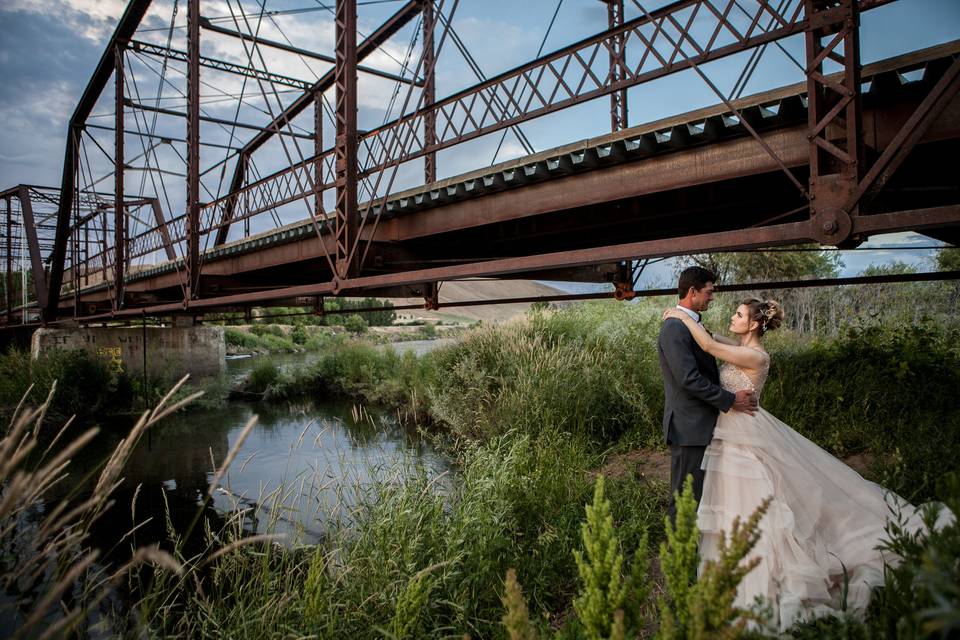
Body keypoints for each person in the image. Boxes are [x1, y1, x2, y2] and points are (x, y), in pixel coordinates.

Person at [662, 298, 955, 631]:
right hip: (730, 431)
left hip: (745, 433)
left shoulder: (755, 355)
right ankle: (730, 572)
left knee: (756, 499)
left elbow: (709, 343)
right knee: (732, 502)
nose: (733, 316)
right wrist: (692, 321)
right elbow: (713, 338)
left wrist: (679, 316)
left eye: (739, 314)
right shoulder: (740, 346)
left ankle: (763, 576)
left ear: (755, 324)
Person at [658, 266, 757, 523]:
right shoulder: (674, 328)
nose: (712, 297)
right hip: (689, 426)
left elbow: (710, 344)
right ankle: (676, 558)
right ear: (692, 291)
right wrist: (731, 399)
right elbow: (688, 379)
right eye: (708, 292)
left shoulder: (688, 324)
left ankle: (695, 553)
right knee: (684, 497)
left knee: (701, 497)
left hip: (702, 424)